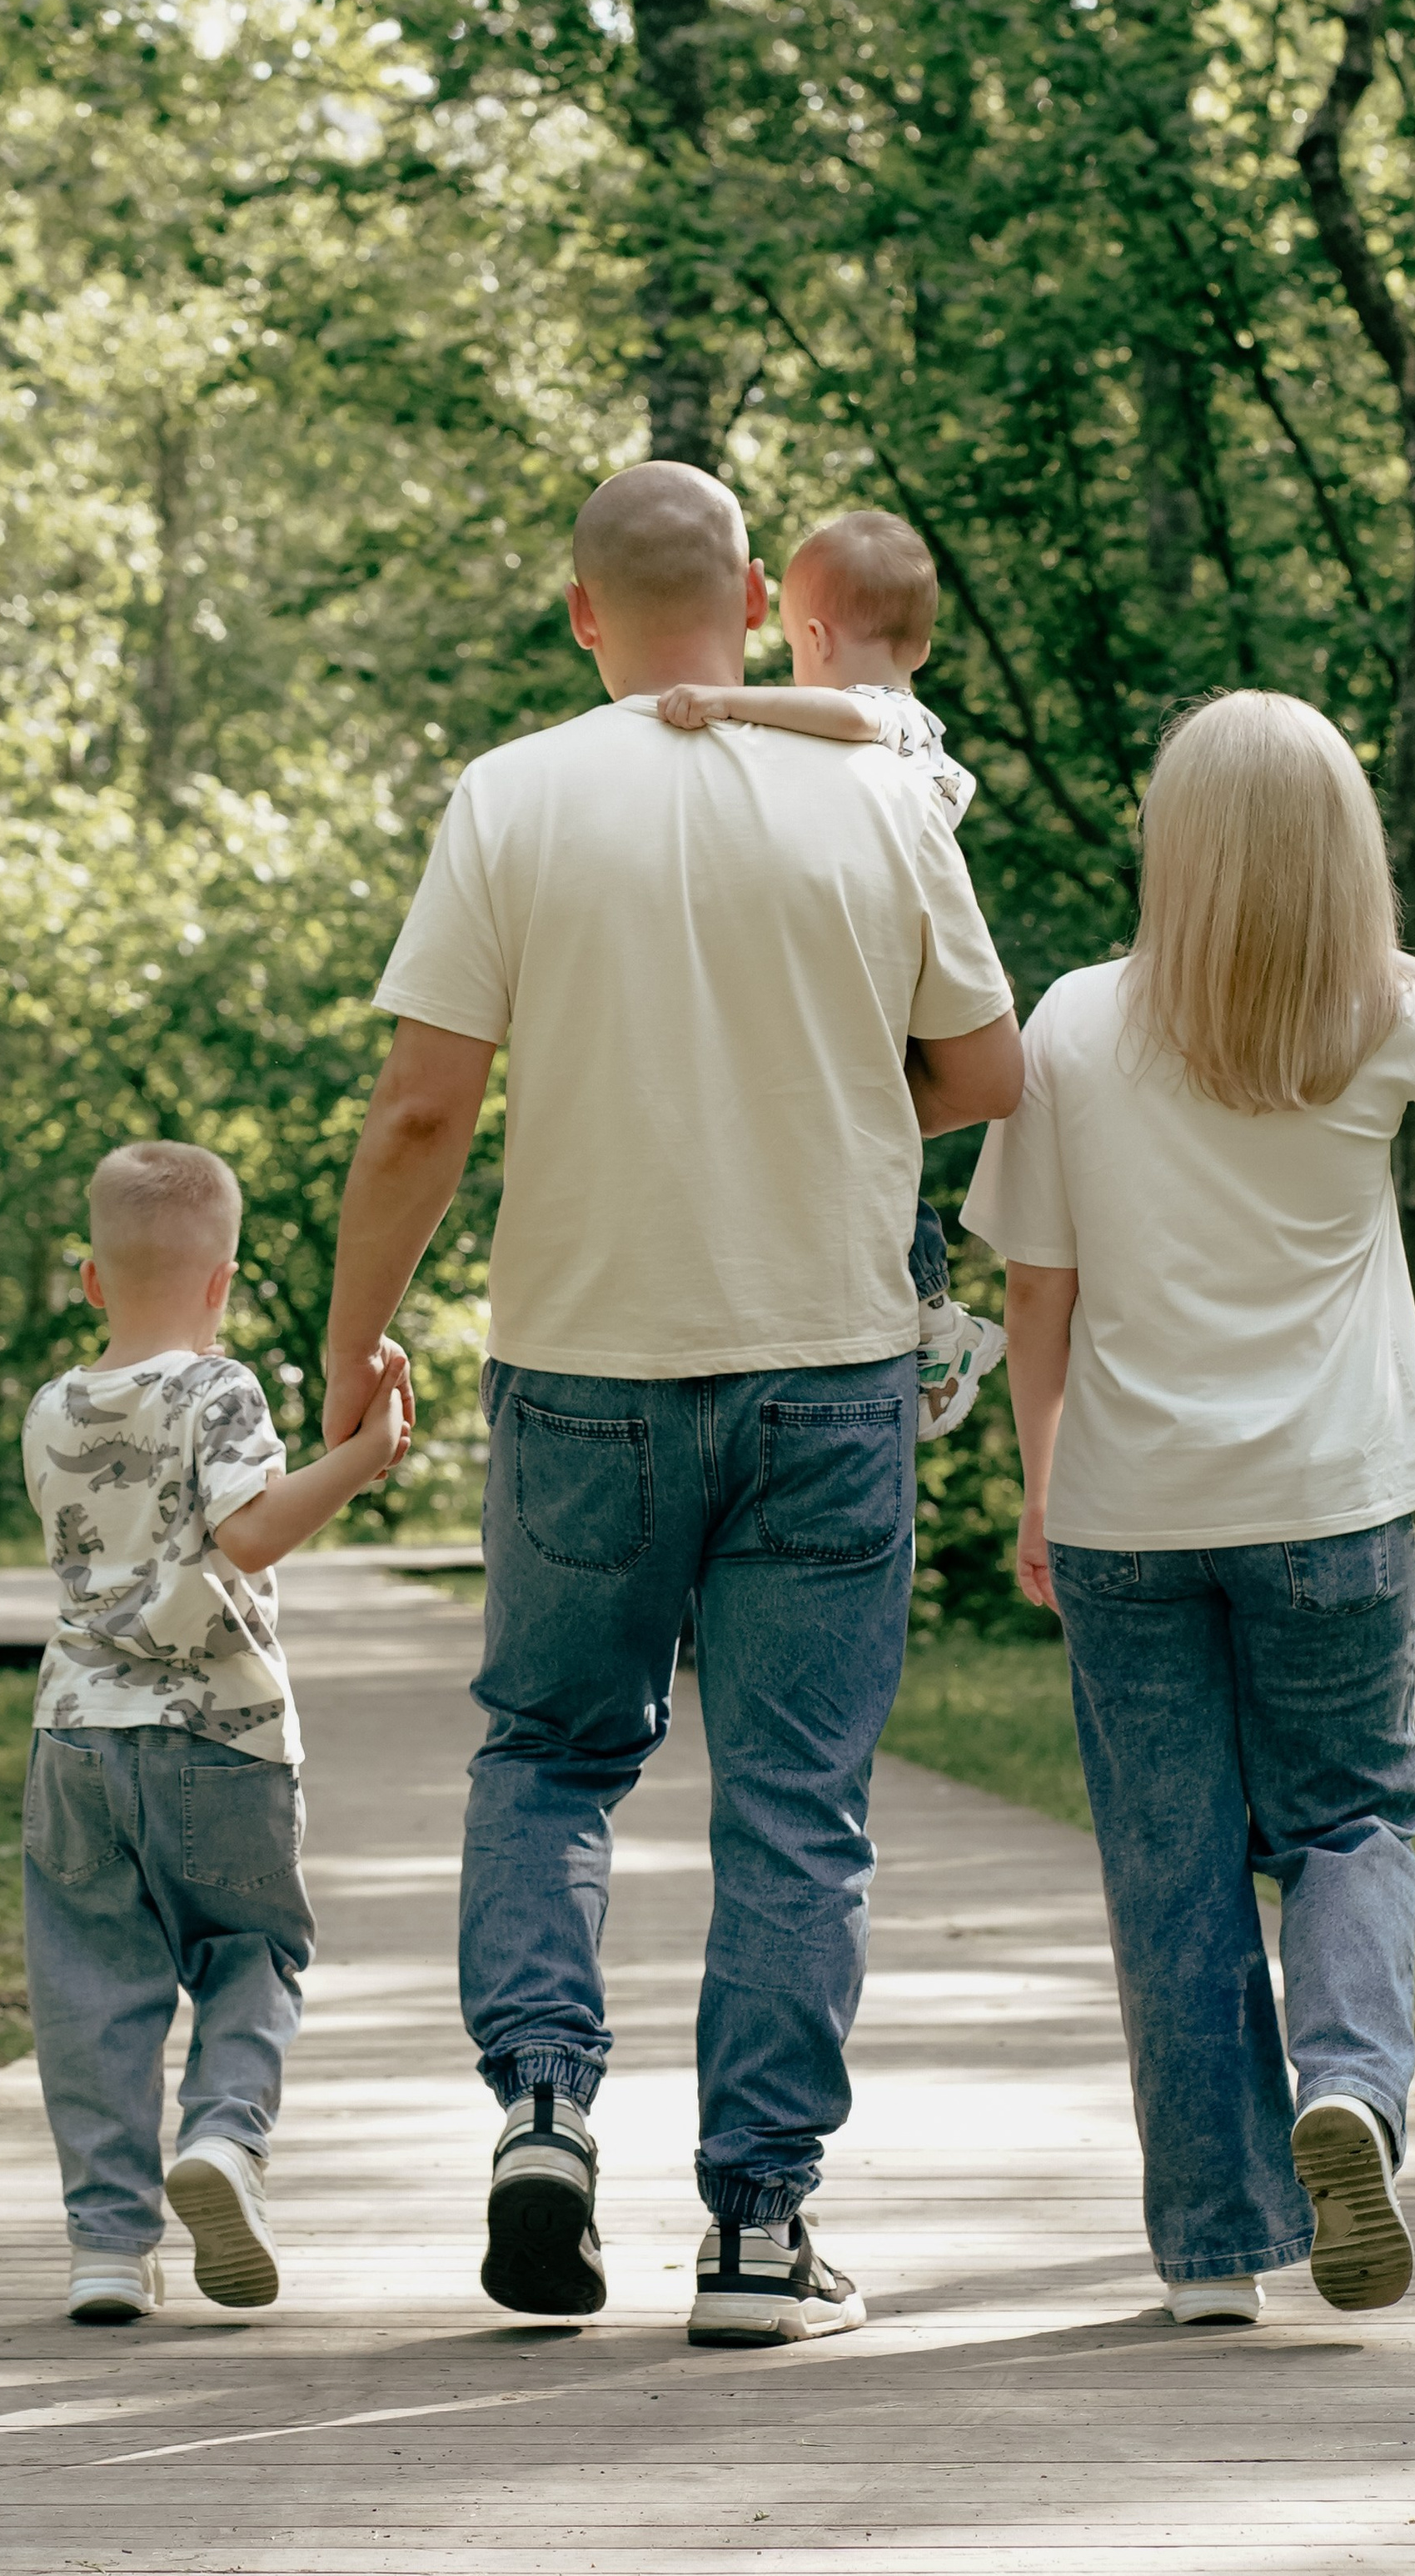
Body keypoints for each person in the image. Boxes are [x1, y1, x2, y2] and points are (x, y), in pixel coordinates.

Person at [321, 463, 1022, 2347]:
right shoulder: (876, 785)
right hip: (824, 1361)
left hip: (581, 1371)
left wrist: (347, 1342)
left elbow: (417, 1111)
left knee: (550, 1755)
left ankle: (544, 2105)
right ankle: (758, 2237)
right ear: (751, 591)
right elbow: (985, 1067)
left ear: (580, 610)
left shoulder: (516, 793)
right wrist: (852, 1111)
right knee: (794, 1807)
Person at [961, 691, 1415, 2328]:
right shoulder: (1384, 1025)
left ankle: (1213, 2254)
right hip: (1334, 1498)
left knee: (1166, 1864)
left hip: (1129, 1506)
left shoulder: (1066, 1024)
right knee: (1348, 1815)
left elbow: (1036, 1296)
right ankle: (1344, 2087)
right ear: (1344, 854)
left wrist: (1039, 1492)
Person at [21, 1139, 406, 2324]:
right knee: (250, 1953)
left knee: (92, 1989)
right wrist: (363, 1456)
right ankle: (228, 2141)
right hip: (221, 1735)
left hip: (77, 1740)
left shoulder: (51, 1407)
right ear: (222, 1281)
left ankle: (105, 2247)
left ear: (91, 1280)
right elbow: (249, 1532)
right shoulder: (219, 1388)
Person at [656, 507, 1003, 1435]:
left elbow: (846, 713)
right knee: (880, 1164)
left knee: (879, 1166)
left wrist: (728, 701)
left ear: (810, 636)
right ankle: (934, 1318)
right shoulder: (903, 729)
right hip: (891, 968)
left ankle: (937, 1322)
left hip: (886, 968)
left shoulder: (887, 721)